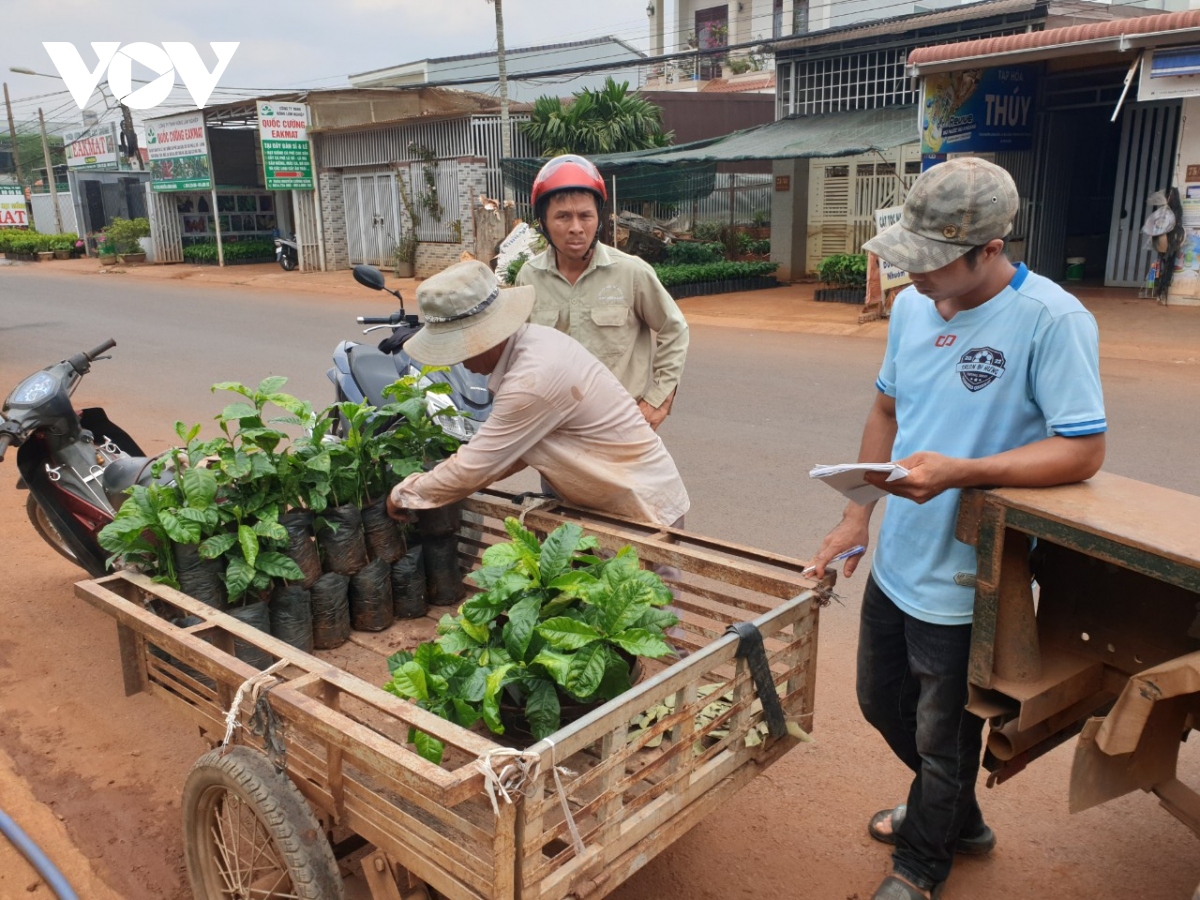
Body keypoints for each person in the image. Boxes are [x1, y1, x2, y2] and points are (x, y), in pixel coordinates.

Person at [809, 158, 1107, 900]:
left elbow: (1083, 448)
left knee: (945, 737)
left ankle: (920, 864)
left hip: (971, 574)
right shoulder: (912, 310)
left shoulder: (1052, 320)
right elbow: (886, 410)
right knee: (882, 702)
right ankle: (959, 817)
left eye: (935, 264)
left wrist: (962, 472)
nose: (917, 280)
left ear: (991, 248)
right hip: (900, 563)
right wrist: (856, 513)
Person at [386, 259, 689, 529]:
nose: (459, 362)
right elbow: (509, 454)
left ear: (483, 338)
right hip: (613, 503)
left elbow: (477, 465)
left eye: (459, 350)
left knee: (644, 592)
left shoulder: (531, 380)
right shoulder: (534, 343)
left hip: (640, 510)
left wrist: (405, 495)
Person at [515, 154, 689, 431]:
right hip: (555, 430)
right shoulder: (528, 277)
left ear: (599, 219)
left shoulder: (631, 273)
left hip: (620, 427)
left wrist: (659, 398)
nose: (576, 228)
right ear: (543, 223)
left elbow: (674, 329)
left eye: (585, 216)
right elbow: (520, 352)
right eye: (562, 217)